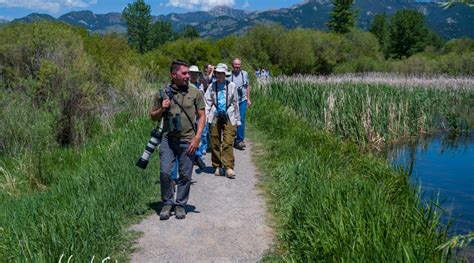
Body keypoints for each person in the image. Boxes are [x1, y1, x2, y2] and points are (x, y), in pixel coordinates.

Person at [150, 60, 206, 220]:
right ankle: (167, 203)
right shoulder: (162, 93)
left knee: (185, 175)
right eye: (184, 73)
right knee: (165, 172)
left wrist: (197, 138)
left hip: (188, 139)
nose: (188, 76)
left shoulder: (195, 93)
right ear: (173, 75)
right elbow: (152, 116)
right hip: (168, 139)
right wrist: (163, 108)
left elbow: (202, 117)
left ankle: (181, 204)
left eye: (188, 73)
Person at [205, 63, 241, 178]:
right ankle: (217, 166)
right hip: (214, 115)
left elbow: (236, 103)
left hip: (229, 114)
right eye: (218, 73)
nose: (220, 75)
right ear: (215, 74)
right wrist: (206, 118)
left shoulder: (232, 86)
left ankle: (229, 167)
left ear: (225, 75)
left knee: (228, 140)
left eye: (222, 73)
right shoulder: (211, 87)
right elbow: (207, 103)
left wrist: (238, 120)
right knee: (215, 140)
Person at [227, 58, 251, 150]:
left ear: (240, 65)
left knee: (241, 118)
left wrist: (248, 99)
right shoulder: (229, 75)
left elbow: (247, 86)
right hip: (232, 100)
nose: (237, 66)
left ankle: (240, 140)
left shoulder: (244, 74)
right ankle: (231, 138)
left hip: (243, 99)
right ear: (232, 65)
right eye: (235, 65)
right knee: (232, 119)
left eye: (238, 65)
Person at [189, 65, 209, 159]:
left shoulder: (200, 85)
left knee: (201, 132)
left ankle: (199, 153)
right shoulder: (186, 85)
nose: (194, 75)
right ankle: (194, 153)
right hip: (190, 112)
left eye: (195, 74)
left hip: (199, 111)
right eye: (192, 73)